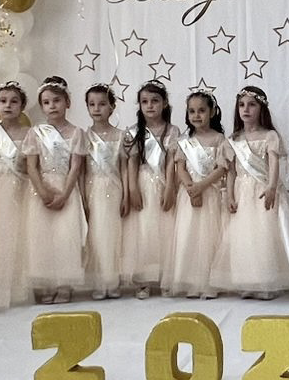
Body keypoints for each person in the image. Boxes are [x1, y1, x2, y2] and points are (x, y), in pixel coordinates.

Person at [223, 85, 289, 299]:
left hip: (263, 191)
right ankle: (247, 281)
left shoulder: (269, 136)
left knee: (264, 237)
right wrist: (230, 195)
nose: (246, 109)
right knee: (244, 237)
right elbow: (231, 172)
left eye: (252, 105)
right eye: (241, 105)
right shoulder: (234, 139)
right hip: (242, 193)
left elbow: (273, 163)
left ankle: (266, 282)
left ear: (261, 108)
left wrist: (272, 187)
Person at [24, 76, 88, 304]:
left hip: (66, 188)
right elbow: (31, 166)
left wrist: (65, 194)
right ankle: (46, 283)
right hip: (41, 190)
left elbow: (76, 167)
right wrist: (42, 192)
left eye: (57, 100)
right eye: (47, 102)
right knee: (42, 237)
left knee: (65, 236)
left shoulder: (77, 133)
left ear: (67, 102)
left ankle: (64, 284)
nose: (52, 106)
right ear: (41, 106)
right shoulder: (35, 133)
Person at [163, 90, 231, 299]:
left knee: (210, 238)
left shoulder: (219, 139)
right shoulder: (184, 141)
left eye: (201, 110)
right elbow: (180, 167)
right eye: (192, 111)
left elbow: (222, 168)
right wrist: (191, 188)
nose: (196, 115)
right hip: (189, 195)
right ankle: (192, 282)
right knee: (189, 236)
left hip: (211, 193)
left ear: (212, 112)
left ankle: (210, 283)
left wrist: (202, 186)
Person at [121, 81, 177, 299]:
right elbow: (132, 161)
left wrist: (170, 186)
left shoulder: (172, 131)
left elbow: (171, 161)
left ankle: (165, 277)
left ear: (164, 103)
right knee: (143, 231)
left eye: (155, 101)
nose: (150, 106)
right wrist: (132, 187)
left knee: (165, 231)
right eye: (145, 102)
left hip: (163, 183)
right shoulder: (133, 132)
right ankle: (143, 280)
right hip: (143, 184)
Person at [0, 82, 33, 310]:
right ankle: (1, 287)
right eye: (3, 101)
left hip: (24, 188)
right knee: (2, 235)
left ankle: (23, 286)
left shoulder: (30, 134)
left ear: (22, 106)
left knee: (24, 233)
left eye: (14, 101)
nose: (8, 105)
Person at [82, 84, 126, 300]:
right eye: (92, 104)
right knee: (96, 234)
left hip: (114, 187)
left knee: (114, 233)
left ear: (112, 107)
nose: (97, 109)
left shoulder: (121, 136)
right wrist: (82, 195)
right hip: (93, 188)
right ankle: (99, 281)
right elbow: (81, 170)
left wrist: (127, 194)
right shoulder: (84, 136)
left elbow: (124, 167)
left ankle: (113, 280)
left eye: (102, 104)